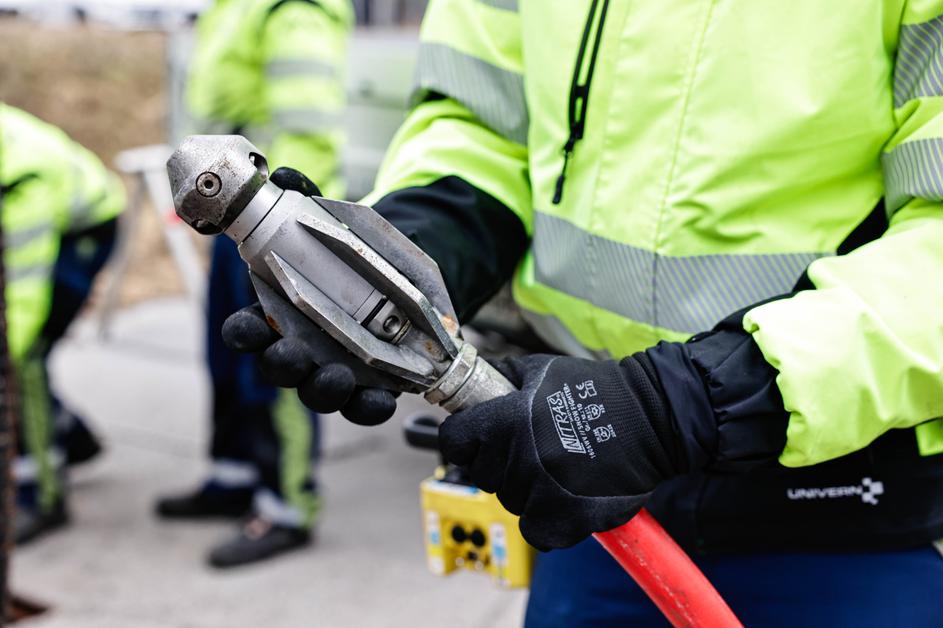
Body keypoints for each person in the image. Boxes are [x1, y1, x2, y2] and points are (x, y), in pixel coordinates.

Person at [223, 0, 943, 624]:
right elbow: (481, 121)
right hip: (589, 492)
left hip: (856, 510)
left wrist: (684, 401)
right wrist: (413, 254)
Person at [154, 0, 354, 568]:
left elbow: (306, 130)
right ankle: (233, 477)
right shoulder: (235, 7)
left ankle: (286, 505)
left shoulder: (291, 10)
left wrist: (283, 231)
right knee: (227, 356)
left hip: (265, 219)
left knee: (276, 366)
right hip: (232, 213)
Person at [0, 103, 124, 544]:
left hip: (84, 230)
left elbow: (23, 302)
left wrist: (8, 354)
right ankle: (72, 437)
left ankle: (42, 496)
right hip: (45, 212)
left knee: (24, 357)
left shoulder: (20, 183)